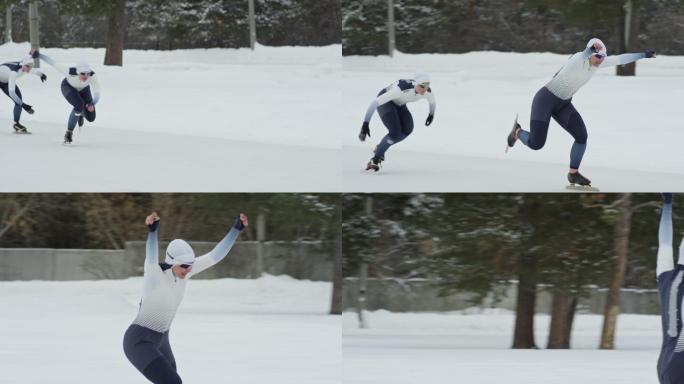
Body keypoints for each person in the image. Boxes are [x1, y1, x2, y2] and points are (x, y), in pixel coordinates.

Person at [506, 38, 656, 186]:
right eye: (597, 56)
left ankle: (573, 174)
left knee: (581, 136)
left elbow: (620, 59)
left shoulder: (597, 64)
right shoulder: (578, 59)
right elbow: (583, 55)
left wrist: (643, 55)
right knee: (536, 144)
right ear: (590, 54)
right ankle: (517, 132)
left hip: (563, 104)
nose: (600, 60)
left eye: (602, 57)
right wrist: (590, 50)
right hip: (545, 100)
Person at [123, 211, 248, 384]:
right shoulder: (154, 274)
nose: (189, 269)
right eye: (185, 266)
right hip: (139, 341)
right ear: (173, 262)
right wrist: (152, 232)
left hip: (161, 340)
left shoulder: (183, 274)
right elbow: (151, 255)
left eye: (191, 266)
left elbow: (215, 256)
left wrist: (236, 228)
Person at [359, 72, 436, 171]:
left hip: (400, 104)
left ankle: (381, 147)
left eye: (427, 86)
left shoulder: (427, 91)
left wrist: (431, 115)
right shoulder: (400, 90)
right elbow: (374, 103)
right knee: (395, 132)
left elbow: (432, 102)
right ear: (415, 84)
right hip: (387, 102)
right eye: (422, 86)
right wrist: (365, 124)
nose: (425, 89)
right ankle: (375, 159)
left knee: (408, 129)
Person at [31, 49, 100, 144]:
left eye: (87, 73)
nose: (85, 76)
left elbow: (97, 94)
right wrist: (38, 55)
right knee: (79, 105)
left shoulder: (93, 76)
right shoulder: (69, 71)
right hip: (68, 87)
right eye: (83, 73)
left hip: (84, 90)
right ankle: (69, 133)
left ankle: (80, 113)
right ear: (78, 72)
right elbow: (52, 62)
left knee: (91, 118)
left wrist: (92, 104)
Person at [656, 193, 684, 384]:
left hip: (674, 361)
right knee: (664, 246)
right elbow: (664, 243)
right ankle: (667, 201)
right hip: (666, 363)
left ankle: (667, 201)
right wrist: (667, 204)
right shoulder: (664, 278)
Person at [0, 55, 47, 133]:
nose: (29, 68)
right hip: (5, 79)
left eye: (31, 66)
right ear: (23, 65)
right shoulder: (14, 72)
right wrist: (23, 105)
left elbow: (33, 71)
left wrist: (41, 75)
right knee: (19, 102)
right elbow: (12, 93)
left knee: (18, 101)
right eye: (28, 66)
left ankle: (16, 124)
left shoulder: (25, 68)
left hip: (5, 82)